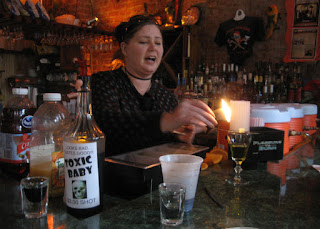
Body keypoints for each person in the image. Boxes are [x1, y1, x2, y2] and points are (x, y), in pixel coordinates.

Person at [88, 15, 217, 156]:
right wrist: (168, 120)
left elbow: (157, 140)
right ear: (125, 49)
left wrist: (179, 135)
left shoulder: (165, 96)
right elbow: (109, 125)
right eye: (143, 42)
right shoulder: (105, 81)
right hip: (115, 175)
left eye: (158, 43)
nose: (153, 48)